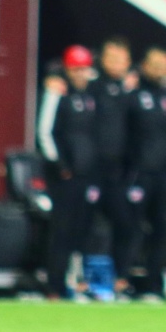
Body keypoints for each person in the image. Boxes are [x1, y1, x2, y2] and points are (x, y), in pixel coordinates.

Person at [37, 45, 101, 298]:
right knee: (61, 231)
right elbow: (44, 131)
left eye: (84, 69)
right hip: (65, 175)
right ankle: (55, 284)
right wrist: (60, 165)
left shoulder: (90, 95)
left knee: (82, 230)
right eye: (76, 69)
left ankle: (76, 281)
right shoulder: (57, 92)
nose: (80, 74)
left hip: (87, 173)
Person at [124, 45, 166, 299]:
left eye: (163, 66)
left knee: (161, 230)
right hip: (139, 174)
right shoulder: (133, 96)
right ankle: (123, 281)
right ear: (144, 66)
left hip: (163, 175)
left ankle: (154, 284)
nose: (159, 70)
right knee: (132, 229)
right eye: (155, 65)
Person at [92, 37, 136, 299]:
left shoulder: (130, 92)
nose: (117, 64)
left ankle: (120, 279)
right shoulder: (92, 87)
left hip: (119, 172)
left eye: (121, 59)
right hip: (91, 170)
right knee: (87, 227)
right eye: (112, 58)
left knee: (125, 225)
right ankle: (83, 281)